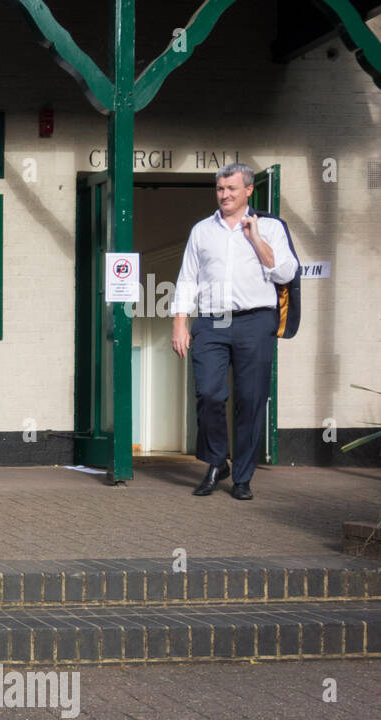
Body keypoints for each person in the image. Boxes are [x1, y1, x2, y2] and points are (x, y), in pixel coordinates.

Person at [170, 162, 298, 500]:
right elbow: (187, 279)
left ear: (248, 190)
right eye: (220, 189)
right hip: (212, 322)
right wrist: (180, 322)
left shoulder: (270, 227)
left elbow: (286, 273)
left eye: (231, 189)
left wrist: (255, 239)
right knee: (209, 394)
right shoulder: (202, 230)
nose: (224, 195)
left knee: (250, 400)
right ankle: (216, 462)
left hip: (255, 320)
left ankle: (242, 476)